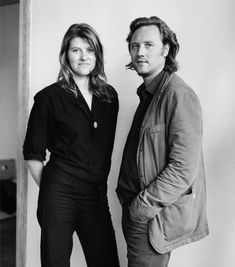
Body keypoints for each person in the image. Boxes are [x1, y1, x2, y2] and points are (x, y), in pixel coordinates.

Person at [23, 23, 120, 267]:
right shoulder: (48, 98)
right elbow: (33, 156)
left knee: (105, 261)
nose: (84, 56)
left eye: (90, 49)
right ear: (65, 55)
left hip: (96, 195)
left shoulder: (109, 97)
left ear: (97, 54)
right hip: (59, 194)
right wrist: (55, 187)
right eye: (76, 50)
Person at [116, 16, 209, 267]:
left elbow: (182, 170)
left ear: (165, 50)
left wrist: (140, 208)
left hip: (149, 218)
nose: (140, 52)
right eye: (134, 46)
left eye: (148, 45)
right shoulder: (149, 94)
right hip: (137, 211)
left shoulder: (178, 95)